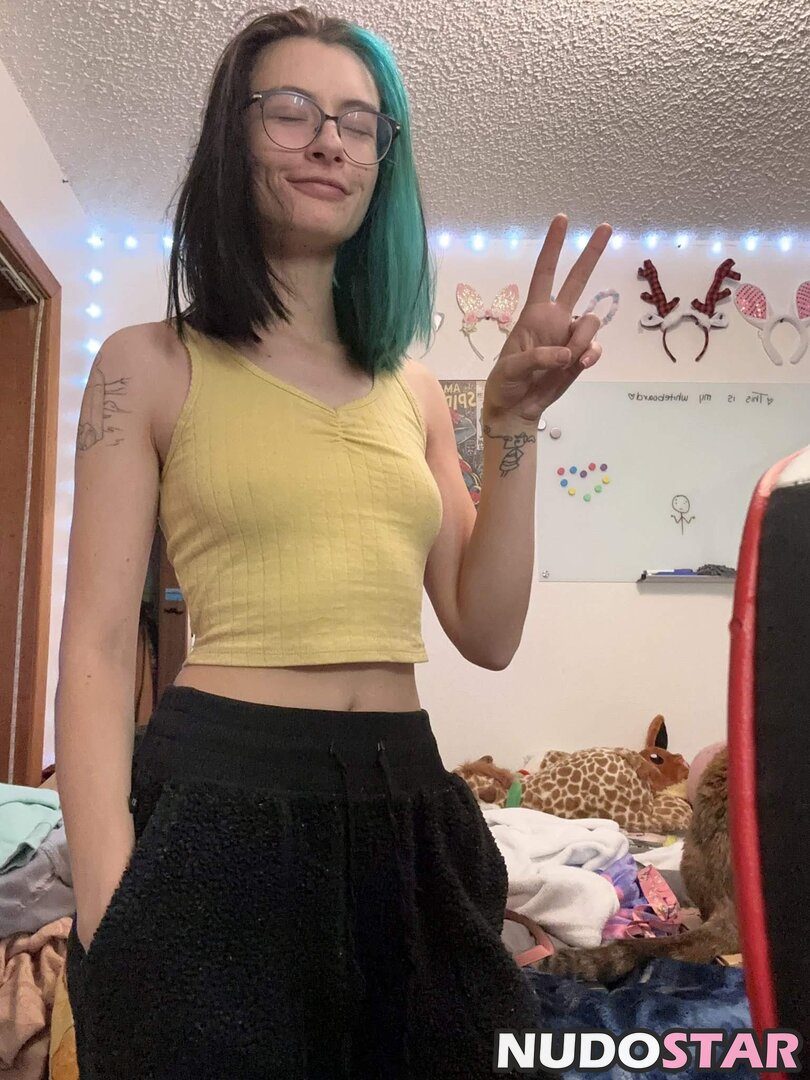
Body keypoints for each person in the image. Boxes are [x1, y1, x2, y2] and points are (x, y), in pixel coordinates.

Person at [55, 8, 611, 1079]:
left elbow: (488, 630)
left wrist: (511, 424)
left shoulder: (415, 388)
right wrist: (106, 906)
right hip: (218, 801)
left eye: (360, 123)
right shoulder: (145, 363)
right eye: (292, 111)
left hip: (410, 803)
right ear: (234, 136)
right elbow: (96, 647)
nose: (329, 143)